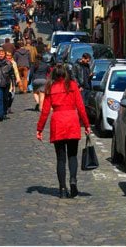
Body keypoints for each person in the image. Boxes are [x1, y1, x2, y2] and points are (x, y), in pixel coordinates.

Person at [36, 64, 92, 198]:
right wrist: (87, 125)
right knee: (72, 155)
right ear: (66, 74)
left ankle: (62, 189)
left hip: (58, 122)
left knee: (60, 159)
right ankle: (73, 180)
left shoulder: (51, 88)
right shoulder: (72, 86)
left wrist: (39, 128)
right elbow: (81, 107)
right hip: (72, 121)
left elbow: (45, 111)